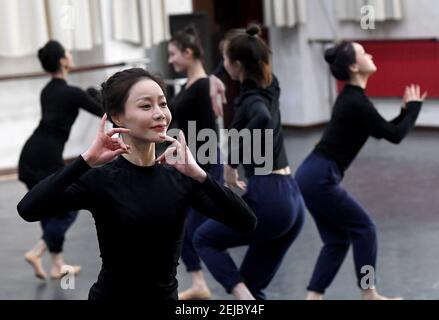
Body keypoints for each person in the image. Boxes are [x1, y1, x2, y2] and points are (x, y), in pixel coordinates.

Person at [17, 68, 257, 300]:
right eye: (145, 106)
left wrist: (201, 176)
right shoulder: (100, 180)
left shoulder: (181, 180)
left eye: (162, 103)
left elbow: (246, 222)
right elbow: (28, 209)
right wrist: (86, 160)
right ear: (117, 116)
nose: (160, 113)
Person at [295, 41, 427, 300]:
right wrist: (412, 110)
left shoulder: (353, 100)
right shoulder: (356, 102)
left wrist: (405, 112)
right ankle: (369, 293)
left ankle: (313, 297)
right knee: (364, 229)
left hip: (311, 174)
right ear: (355, 67)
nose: (371, 54)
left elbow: (383, 130)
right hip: (320, 176)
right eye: (364, 53)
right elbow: (395, 135)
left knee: (337, 240)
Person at [193, 25, 305, 300]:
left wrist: (232, 162)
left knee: (204, 239)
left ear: (237, 64)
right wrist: (216, 77)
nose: (222, 64)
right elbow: (241, 61)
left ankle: (244, 298)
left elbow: (262, 119)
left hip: (269, 196)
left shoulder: (253, 99)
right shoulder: (270, 84)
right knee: (254, 286)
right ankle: (249, 297)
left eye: (225, 59)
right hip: (291, 198)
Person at [18, 40, 103, 280]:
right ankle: (38, 251)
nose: (70, 54)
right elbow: (103, 112)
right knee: (70, 206)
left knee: (47, 207)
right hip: (46, 157)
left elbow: (68, 104)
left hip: (29, 155)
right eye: (67, 52)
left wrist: (87, 95)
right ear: (63, 61)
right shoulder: (72, 93)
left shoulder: (48, 90)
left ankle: (57, 265)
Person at [168, 26, 223, 300]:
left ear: (189, 53)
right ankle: (199, 282)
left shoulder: (203, 85)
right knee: (181, 225)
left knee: (194, 228)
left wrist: (202, 169)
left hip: (203, 164)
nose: (170, 60)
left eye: (174, 54)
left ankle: (230, 284)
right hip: (189, 163)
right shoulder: (193, 84)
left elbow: (208, 131)